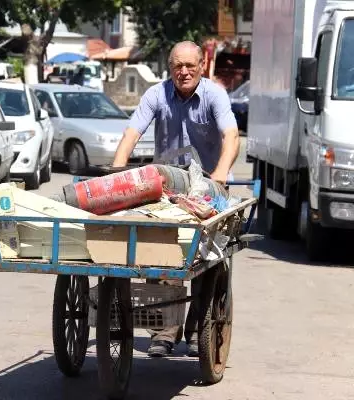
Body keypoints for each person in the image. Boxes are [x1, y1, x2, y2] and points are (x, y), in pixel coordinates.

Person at [111, 41, 240, 357]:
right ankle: (164, 332)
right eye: (177, 66)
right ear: (170, 69)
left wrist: (220, 174)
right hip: (168, 188)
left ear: (201, 65)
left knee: (205, 258)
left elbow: (231, 136)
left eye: (189, 66)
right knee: (163, 254)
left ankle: (199, 330)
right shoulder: (156, 94)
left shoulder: (214, 95)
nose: (183, 72)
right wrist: (116, 172)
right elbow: (132, 133)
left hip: (208, 187)